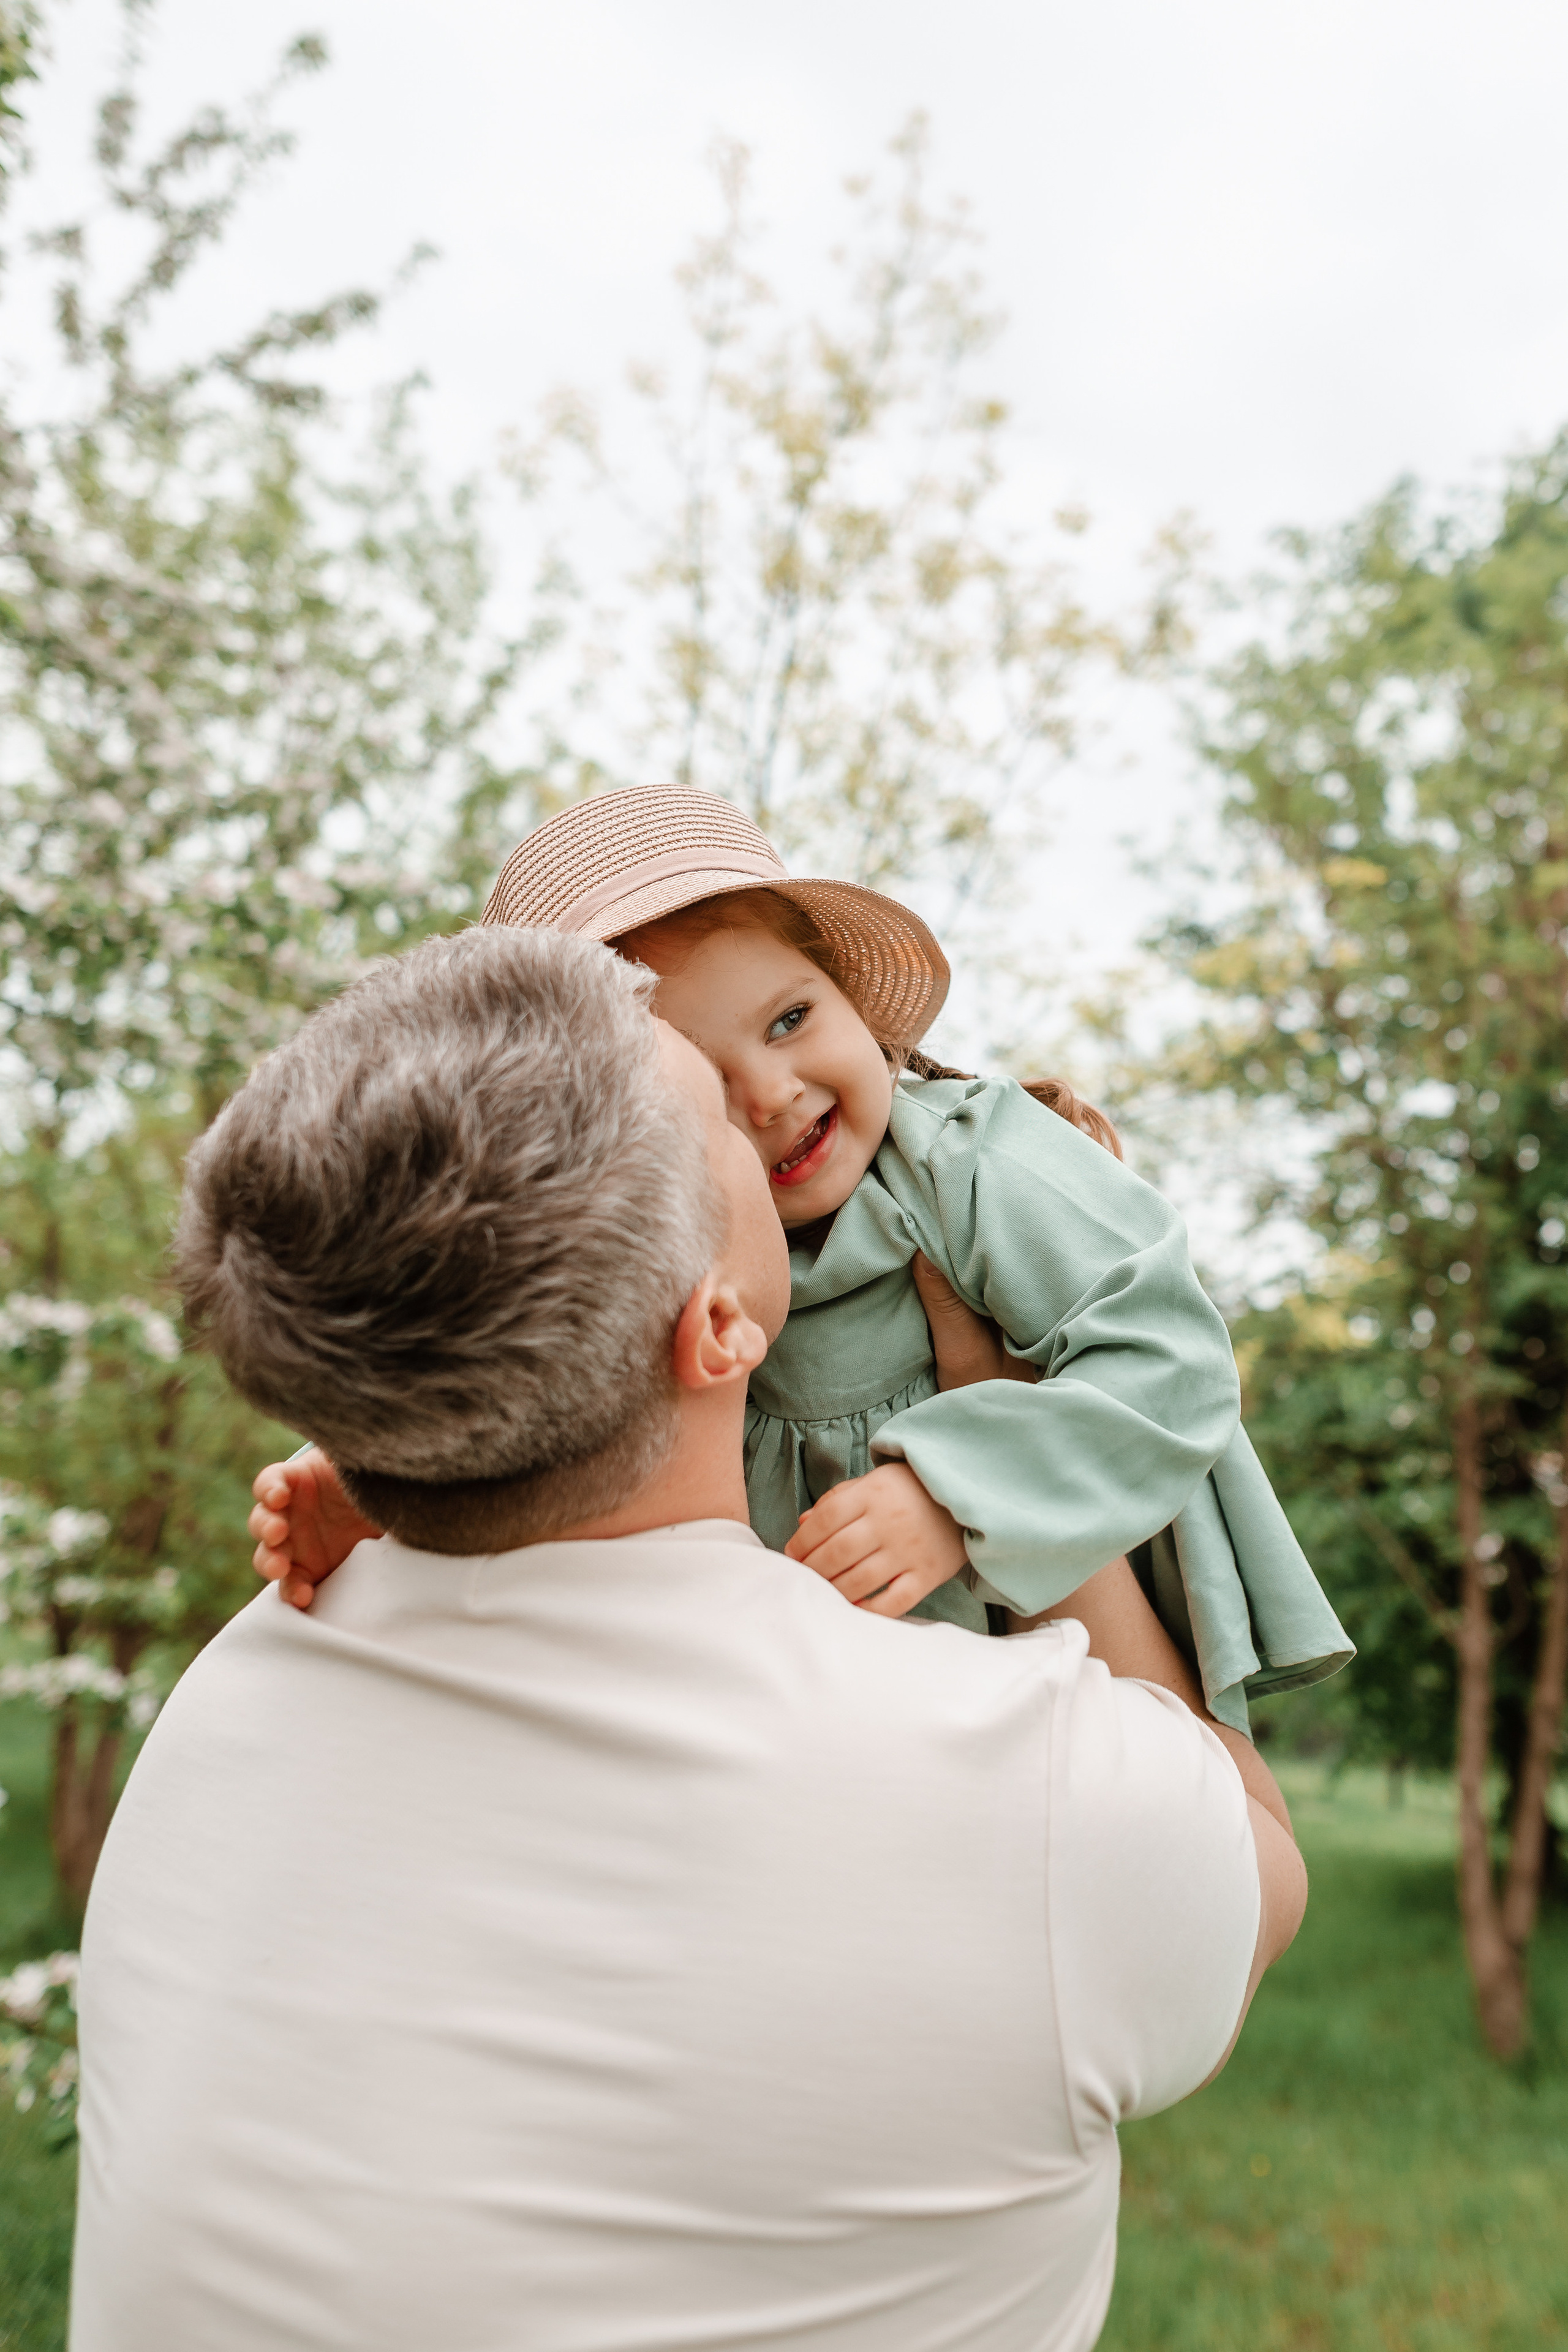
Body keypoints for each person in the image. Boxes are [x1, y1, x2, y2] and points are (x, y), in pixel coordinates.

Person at [71, 924, 1306, 2352]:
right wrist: (1011, 1425)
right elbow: (1253, 1861)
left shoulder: (223, 1707)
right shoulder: (1019, 1795)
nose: (763, 1107)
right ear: (718, 1326)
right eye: (710, 1111)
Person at [255, 784, 1351, 1732]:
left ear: (847, 993)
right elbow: (530, 1371)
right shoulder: (650, 1249)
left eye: (788, 1019)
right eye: (703, 1080)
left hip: (1040, 1634)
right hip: (784, 1689)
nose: (772, 1095)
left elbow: (1169, 1354)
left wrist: (951, 1496)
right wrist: (376, 1477)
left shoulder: (966, 1164)